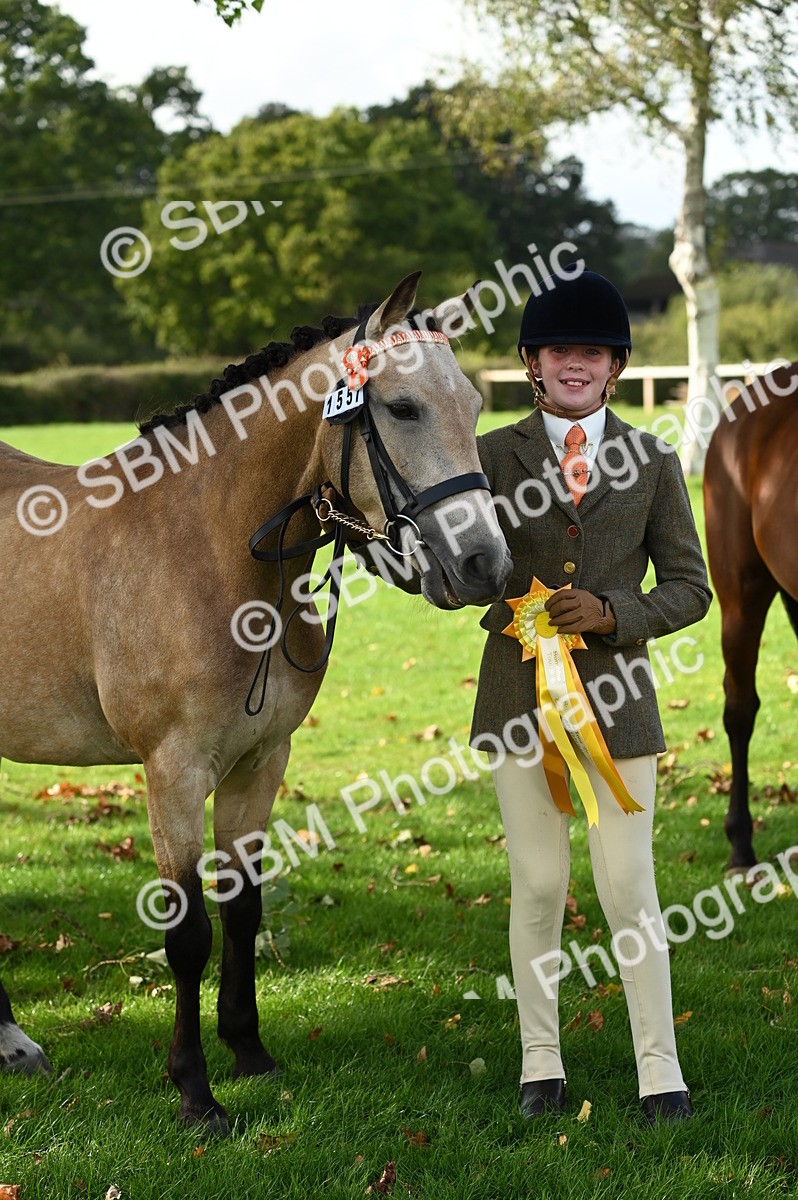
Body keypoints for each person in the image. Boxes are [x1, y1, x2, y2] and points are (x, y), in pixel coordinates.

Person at [470, 267, 712, 1125]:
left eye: (594, 352)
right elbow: (456, 571)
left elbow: (691, 587)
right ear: (532, 362)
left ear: (616, 366)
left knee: (630, 887)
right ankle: (540, 1061)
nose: (575, 363)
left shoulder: (654, 460)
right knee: (538, 885)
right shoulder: (487, 457)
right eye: (558, 350)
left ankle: (660, 1070)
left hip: (619, 706)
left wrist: (614, 612)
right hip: (518, 700)